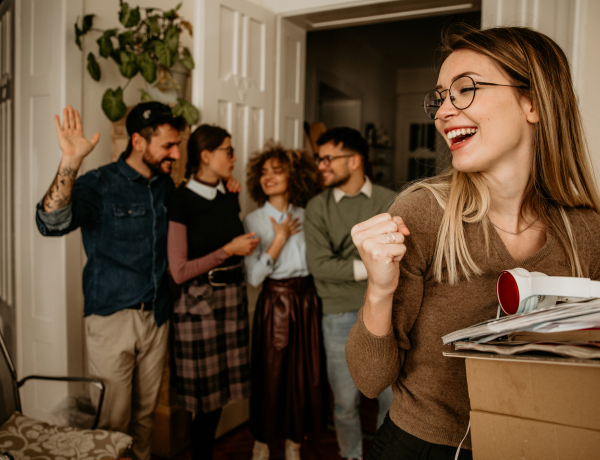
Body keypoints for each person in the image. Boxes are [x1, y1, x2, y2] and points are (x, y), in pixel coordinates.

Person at [346, 25, 600, 460]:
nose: (444, 111)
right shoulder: (422, 214)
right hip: (421, 448)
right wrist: (380, 289)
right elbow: (370, 381)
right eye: (440, 97)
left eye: (465, 90)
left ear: (533, 101)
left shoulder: (587, 233)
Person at [35, 102, 187, 460]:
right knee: (113, 422)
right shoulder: (99, 184)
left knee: (144, 417)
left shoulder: (167, 185)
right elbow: (50, 224)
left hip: (158, 316)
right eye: (168, 145)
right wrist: (71, 162)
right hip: (112, 317)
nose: (176, 153)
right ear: (138, 141)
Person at [167, 124, 259, 460]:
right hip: (198, 305)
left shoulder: (228, 193)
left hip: (231, 300)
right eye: (228, 151)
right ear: (205, 155)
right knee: (203, 400)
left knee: (220, 394)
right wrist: (229, 250)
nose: (234, 158)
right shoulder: (180, 200)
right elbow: (178, 271)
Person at [304, 127, 396, 460]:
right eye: (319, 159)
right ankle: (351, 456)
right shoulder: (317, 208)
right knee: (344, 401)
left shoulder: (389, 200)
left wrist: (365, 265)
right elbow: (321, 267)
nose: (321, 166)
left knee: (391, 401)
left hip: (388, 312)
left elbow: (397, 255)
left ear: (354, 160)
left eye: (328, 159)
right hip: (337, 314)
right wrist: (373, 267)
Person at [243, 145, 327, 460]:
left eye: (276, 170)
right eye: (263, 172)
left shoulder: (309, 215)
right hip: (274, 303)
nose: (269, 177)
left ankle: (294, 440)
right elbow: (253, 277)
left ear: (293, 175)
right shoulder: (253, 219)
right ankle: (261, 442)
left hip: (307, 302)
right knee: (270, 374)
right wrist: (278, 239)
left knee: (303, 374)